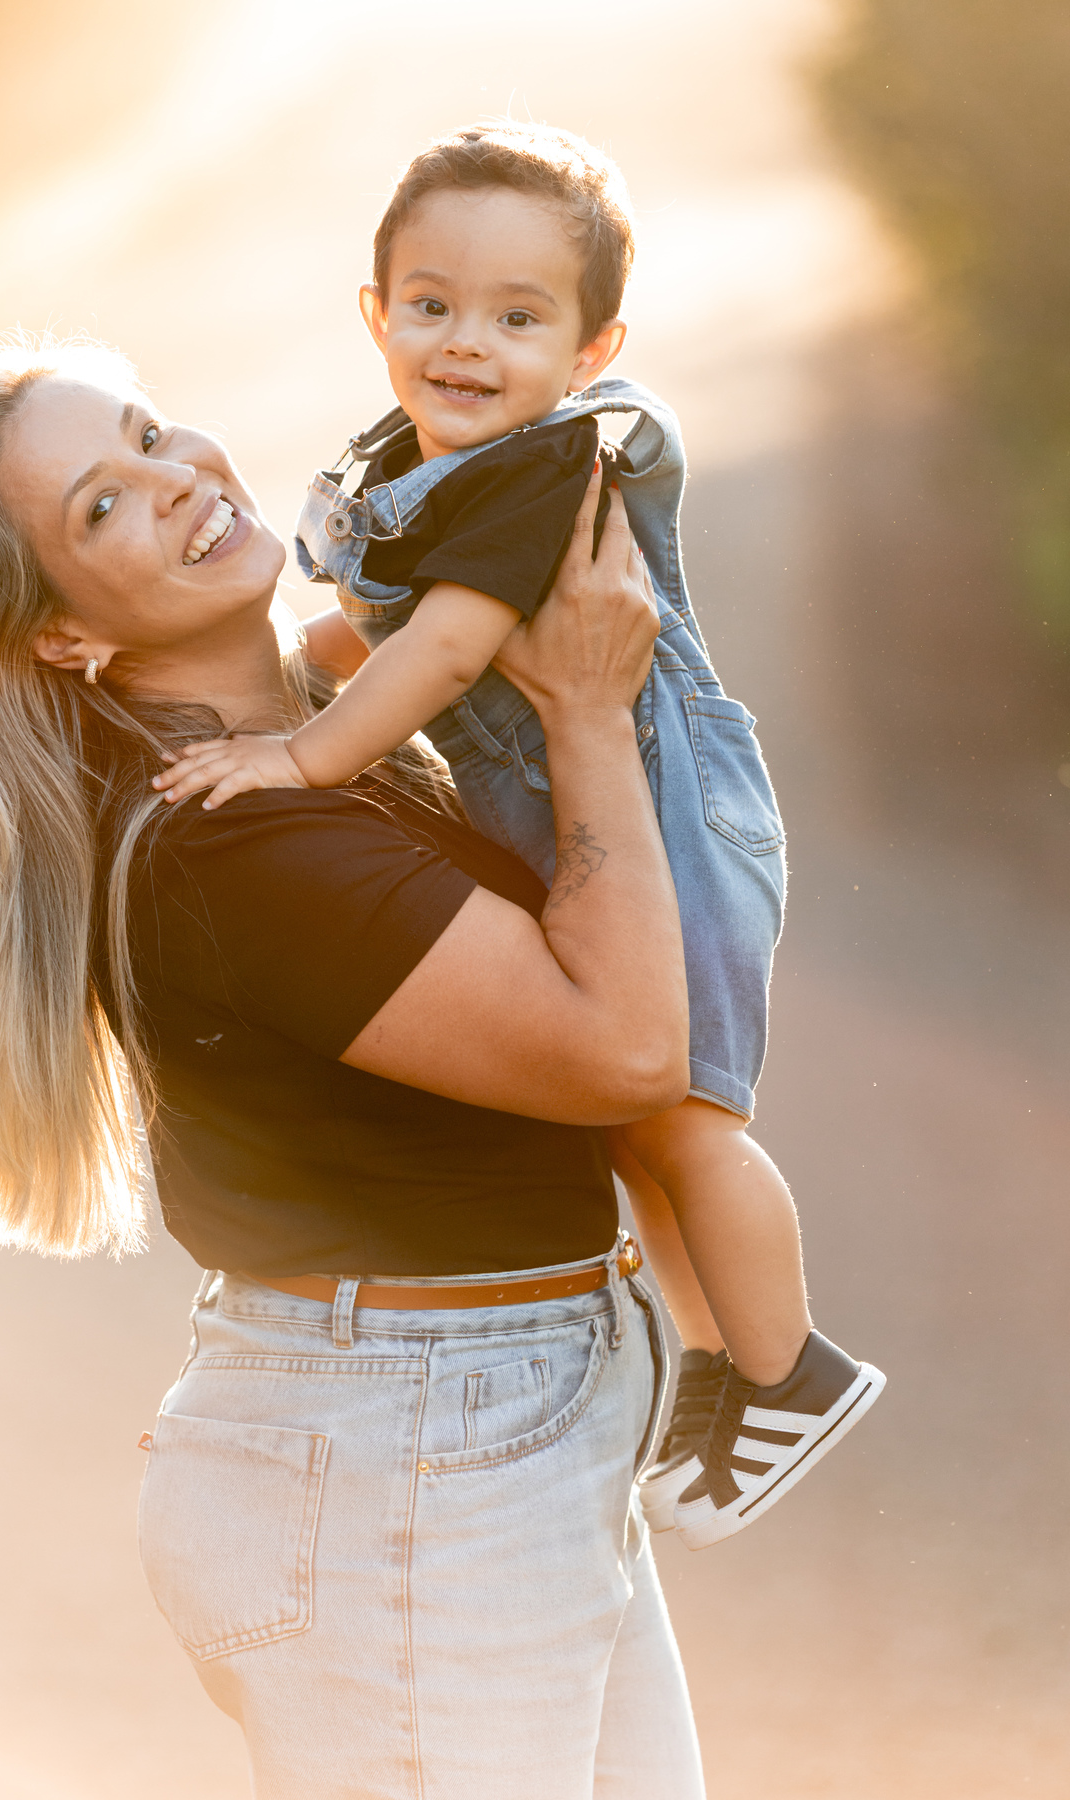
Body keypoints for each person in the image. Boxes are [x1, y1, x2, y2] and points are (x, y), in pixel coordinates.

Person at [0, 340, 707, 1798]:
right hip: (416, 1457)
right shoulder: (233, 846)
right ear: (59, 636)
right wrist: (583, 708)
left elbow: (394, 626)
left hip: (472, 1426)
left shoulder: (295, 745)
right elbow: (627, 1050)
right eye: (100, 506)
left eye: (148, 432)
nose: (176, 477)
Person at [153, 122, 885, 1549]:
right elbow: (376, 623)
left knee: (685, 1119)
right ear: (376, 314)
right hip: (573, 821)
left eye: (518, 318)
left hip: (669, 822)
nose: (466, 344)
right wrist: (298, 668)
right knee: (629, 1128)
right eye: (432, 305)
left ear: (593, 348)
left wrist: (300, 750)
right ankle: (717, 1366)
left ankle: (795, 1370)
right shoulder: (427, 465)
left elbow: (438, 652)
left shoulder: (539, 474)